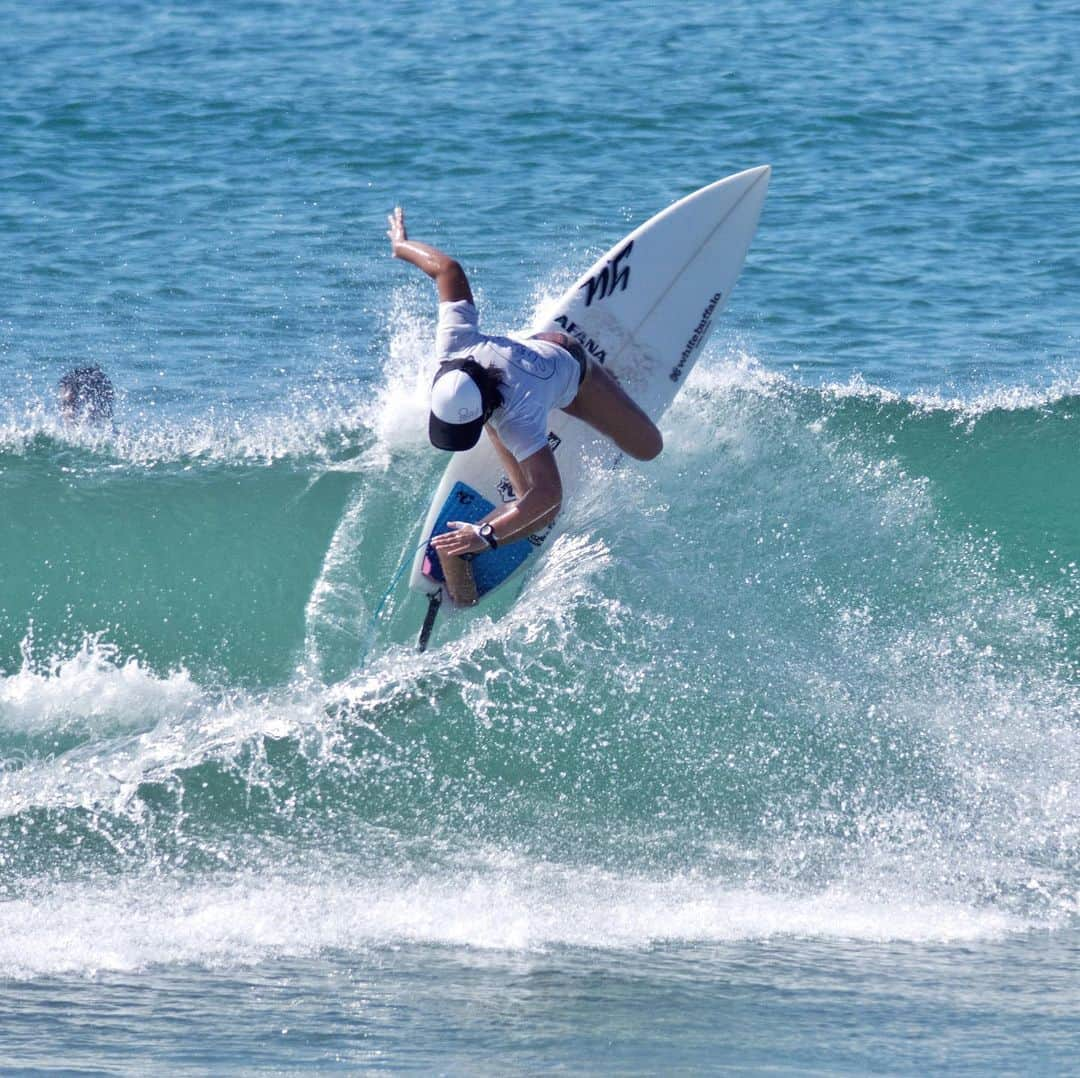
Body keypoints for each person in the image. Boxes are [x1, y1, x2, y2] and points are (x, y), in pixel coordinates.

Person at [388, 207, 662, 605]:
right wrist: (402, 246)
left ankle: (605, 381)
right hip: (518, 371)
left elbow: (550, 498)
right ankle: (467, 542)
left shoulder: (520, 417)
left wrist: (484, 535)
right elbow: (447, 269)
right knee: (526, 492)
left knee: (647, 447)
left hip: (570, 371)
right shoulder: (455, 345)